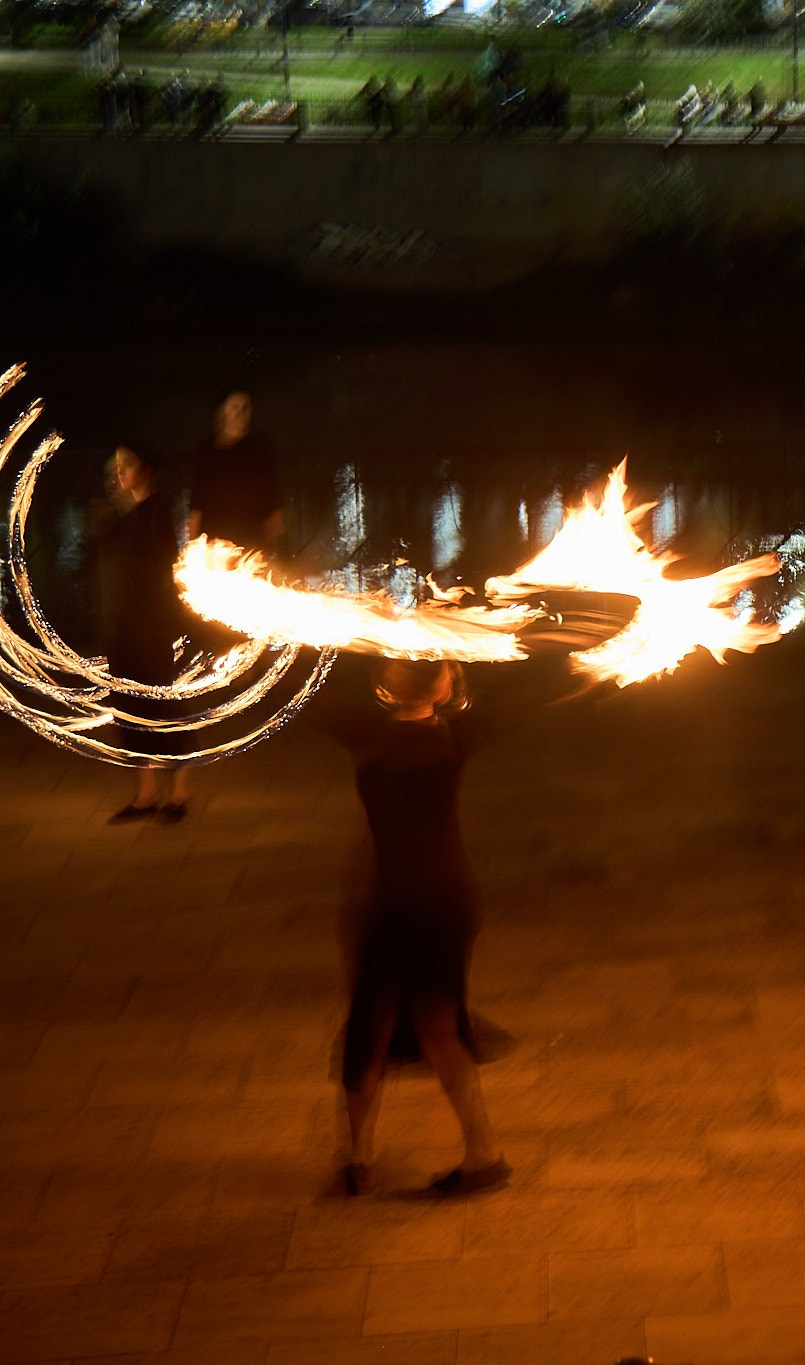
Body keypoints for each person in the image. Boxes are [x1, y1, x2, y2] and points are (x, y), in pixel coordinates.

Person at [319, 657, 508, 1196]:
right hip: (448, 900)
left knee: (370, 1024)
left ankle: (358, 1156)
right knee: (439, 1024)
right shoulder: (455, 736)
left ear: (383, 684)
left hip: (388, 901)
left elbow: (303, 695)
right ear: (447, 685)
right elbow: (539, 696)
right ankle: (484, 1153)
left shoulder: (368, 734)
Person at [95, 442, 192, 824]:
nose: (119, 474)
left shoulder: (158, 512)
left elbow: (162, 568)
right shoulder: (118, 518)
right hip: (121, 628)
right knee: (129, 709)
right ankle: (146, 795)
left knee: (162, 708)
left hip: (152, 626)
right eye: (115, 468)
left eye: (127, 466)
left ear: (146, 470)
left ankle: (181, 791)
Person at [187, 388, 283, 558]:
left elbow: (273, 497)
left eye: (246, 407)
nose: (241, 413)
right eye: (234, 407)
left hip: (252, 542)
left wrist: (273, 535)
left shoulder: (260, 448)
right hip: (216, 544)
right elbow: (197, 504)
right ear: (223, 411)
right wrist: (193, 546)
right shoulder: (207, 452)